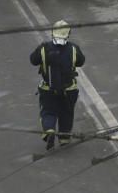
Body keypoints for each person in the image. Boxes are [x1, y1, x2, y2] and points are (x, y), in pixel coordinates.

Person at [29, 20, 86, 150]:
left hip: (48, 89)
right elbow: (81, 62)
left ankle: (49, 130)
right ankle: (64, 139)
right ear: (68, 34)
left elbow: (33, 60)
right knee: (66, 113)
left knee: (48, 112)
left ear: (53, 33)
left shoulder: (44, 48)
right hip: (69, 90)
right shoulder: (73, 48)